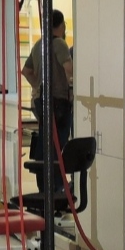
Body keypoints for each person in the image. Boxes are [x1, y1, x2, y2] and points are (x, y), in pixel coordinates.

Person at [23, 8, 73, 159]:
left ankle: (43, 170)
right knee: (58, 144)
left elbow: (26, 71)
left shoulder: (39, 45)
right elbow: (69, 69)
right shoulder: (60, 43)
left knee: (46, 140)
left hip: (40, 101)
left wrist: (37, 85)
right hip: (58, 101)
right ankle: (54, 172)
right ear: (61, 25)